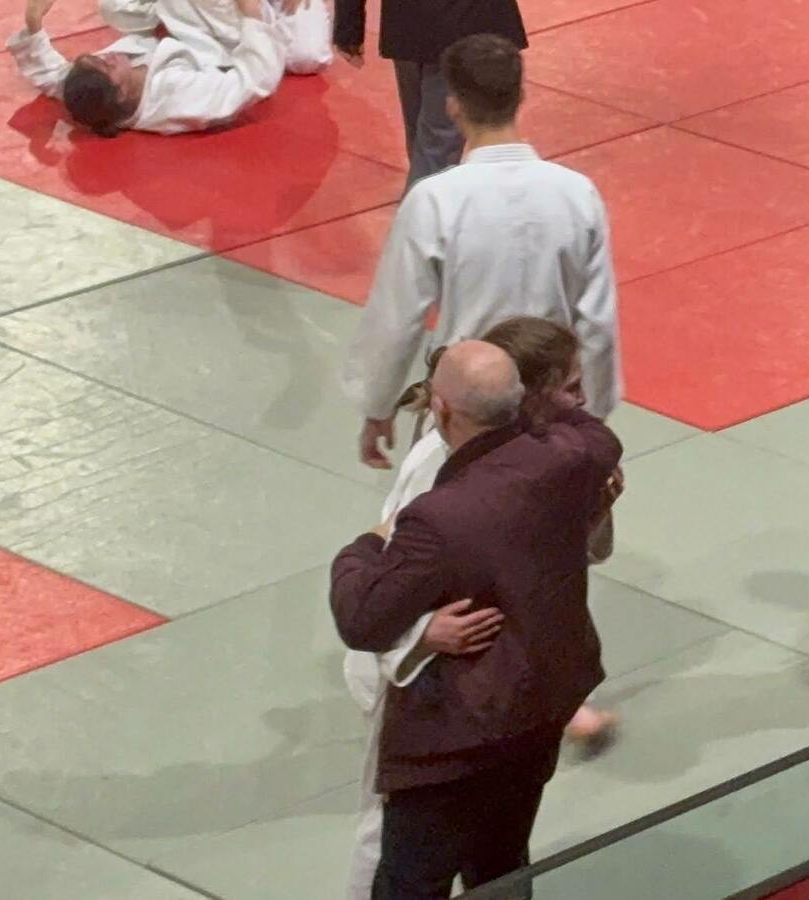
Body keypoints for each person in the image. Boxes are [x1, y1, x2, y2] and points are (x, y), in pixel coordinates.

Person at [341, 317, 624, 899]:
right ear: (530, 396)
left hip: (496, 699)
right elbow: (396, 588)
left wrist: (589, 516)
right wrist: (423, 633)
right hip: (440, 686)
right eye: (571, 388)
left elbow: (533, 556)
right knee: (405, 840)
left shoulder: (545, 456)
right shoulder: (444, 467)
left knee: (474, 859)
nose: (582, 402)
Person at [342, 34, 620, 471]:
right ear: (521, 96)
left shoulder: (436, 199)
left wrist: (377, 405)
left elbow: (397, 316)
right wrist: (594, 415)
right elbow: (597, 320)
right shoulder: (576, 193)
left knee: (456, 506)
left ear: (453, 106)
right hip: (551, 411)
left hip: (467, 408)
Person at [9, 0, 335, 136]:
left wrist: (33, 21)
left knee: (113, 6)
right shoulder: (178, 98)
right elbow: (253, 82)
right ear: (121, 91)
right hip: (217, 36)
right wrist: (251, 11)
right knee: (308, 56)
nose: (108, 56)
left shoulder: (100, 97)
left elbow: (54, 78)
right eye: (106, 65)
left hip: (189, 27)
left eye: (96, 57)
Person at [334, 0, 525, 190]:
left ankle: (423, 198)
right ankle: (422, 204)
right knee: (436, 146)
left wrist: (348, 25)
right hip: (464, 24)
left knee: (423, 138)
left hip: (407, 23)